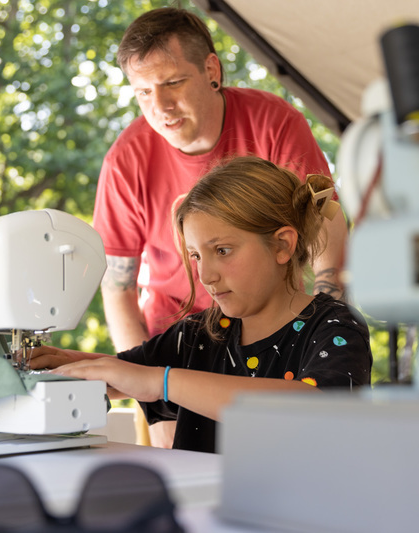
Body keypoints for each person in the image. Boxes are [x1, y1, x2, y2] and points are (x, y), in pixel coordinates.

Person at [94, 7, 348, 447]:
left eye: (172, 83)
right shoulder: (126, 158)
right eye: (142, 93)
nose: (161, 107)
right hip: (178, 338)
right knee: (182, 463)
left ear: (212, 69)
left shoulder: (274, 123)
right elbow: (118, 286)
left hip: (268, 325)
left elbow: (325, 216)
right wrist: (151, 388)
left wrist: (323, 313)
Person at [32, 156, 372, 454]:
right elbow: (121, 374)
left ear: (282, 244)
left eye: (222, 251)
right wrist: (49, 362)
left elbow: (320, 407)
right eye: (195, 256)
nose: (205, 275)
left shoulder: (335, 328)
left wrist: (163, 382)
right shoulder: (202, 333)